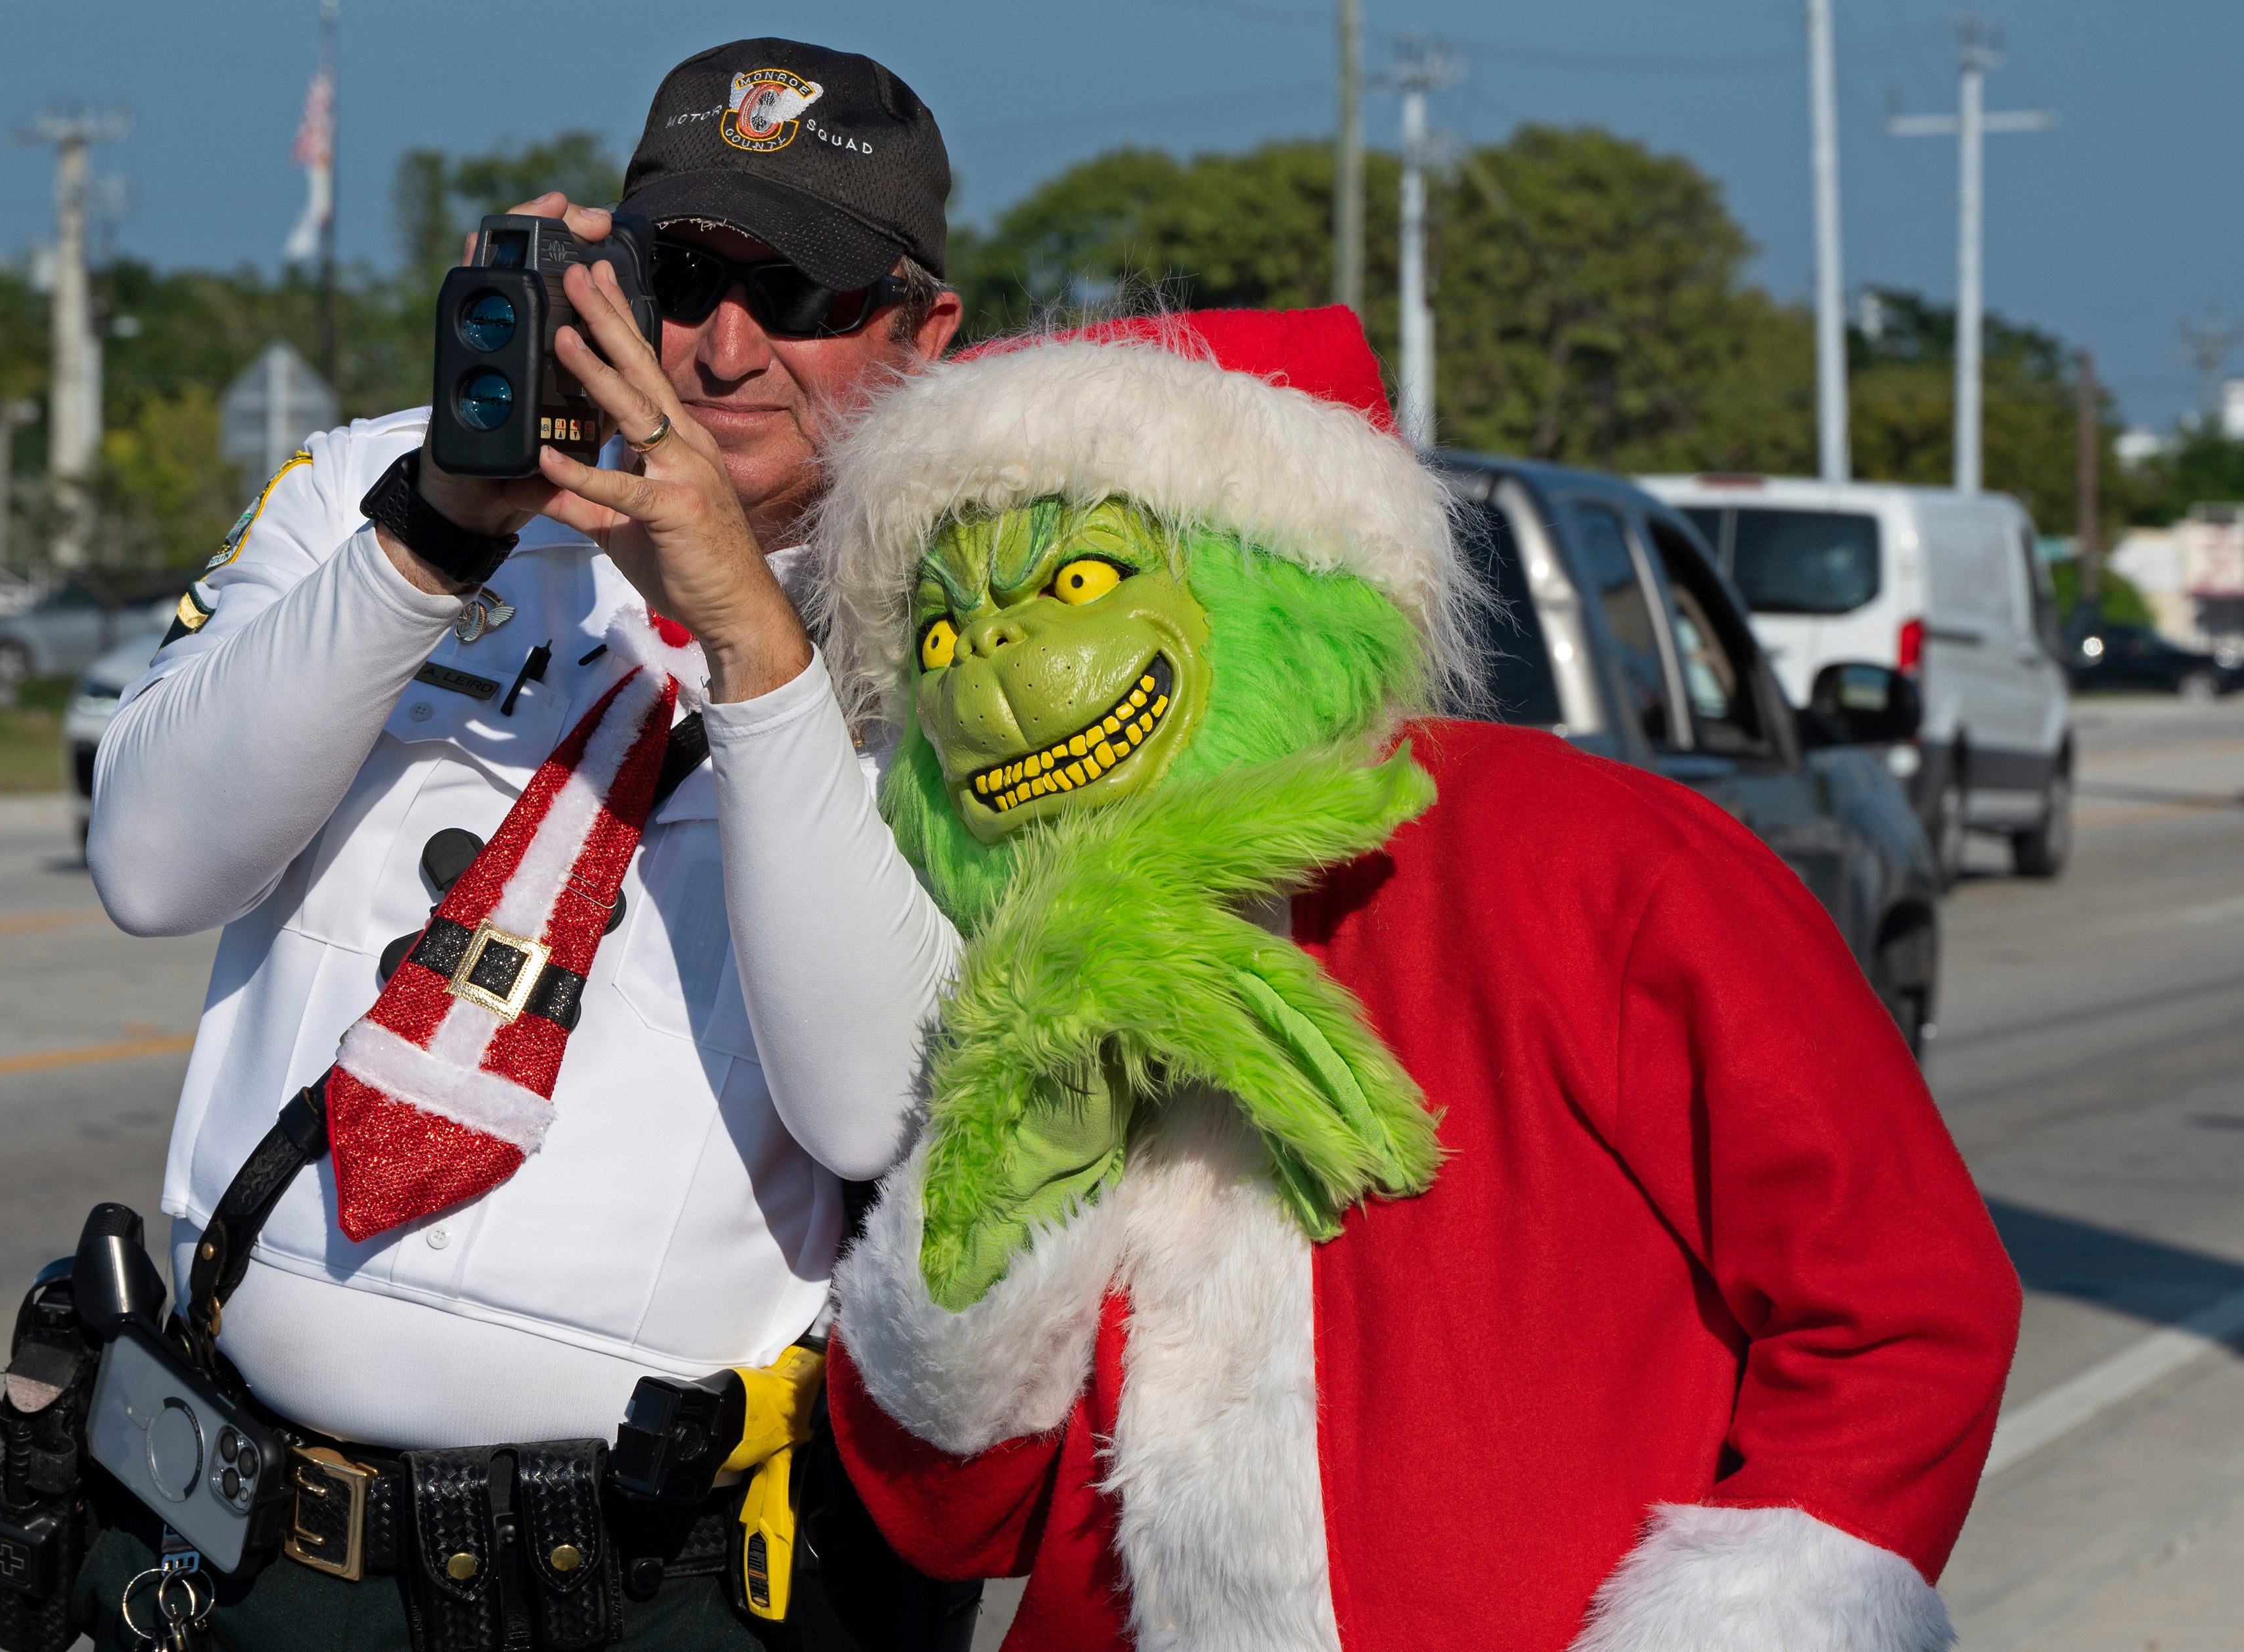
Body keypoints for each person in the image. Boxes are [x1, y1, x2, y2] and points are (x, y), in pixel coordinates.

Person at [784, 308, 2023, 1651]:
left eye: (1077, 586)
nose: (998, 682)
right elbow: (952, 1518)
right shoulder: (1031, 958)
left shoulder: (1596, 860)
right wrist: (1005, 1173)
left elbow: (1903, 1308)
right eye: (945, 639)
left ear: (1272, 567)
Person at [77, 36, 972, 1652]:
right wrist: (430, 534)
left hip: (653, 1584)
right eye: (683, 273)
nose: (722, 345)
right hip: (255, 1548)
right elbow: (149, 864)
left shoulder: (968, 634)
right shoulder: (374, 482)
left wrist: (756, 647)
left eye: (807, 298)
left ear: (922, 335)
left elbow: (874, 1108)